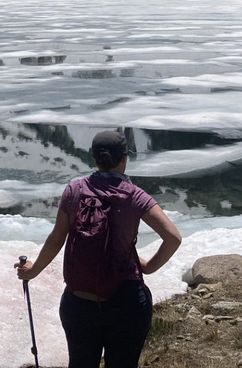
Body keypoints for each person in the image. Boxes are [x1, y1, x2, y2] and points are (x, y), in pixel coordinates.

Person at [15, 130, 182, 368]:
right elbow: (173, 237)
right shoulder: (135, 196)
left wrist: (32, 272)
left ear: (95, 158)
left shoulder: (74, 191)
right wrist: (148, 267)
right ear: (124, 158)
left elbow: (56, 240)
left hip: (79, 303)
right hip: (125, 303)